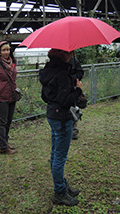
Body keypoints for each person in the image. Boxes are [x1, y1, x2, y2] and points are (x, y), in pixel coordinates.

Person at [39, 49, 82, 206]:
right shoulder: (62, 74)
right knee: (60, 157)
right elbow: (66, 100)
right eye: (70, 52)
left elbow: (45, 96)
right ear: (63, 55)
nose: (72, 55)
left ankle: (62, 184)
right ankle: (59, 192)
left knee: (55, 152)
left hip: (52, 114)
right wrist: (77, 89)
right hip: (62, 117)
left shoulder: (47, 71)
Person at [68, 56, 84, 140]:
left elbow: (80, 72)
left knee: (73, 109)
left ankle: (74, 131)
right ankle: (68, 131)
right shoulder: (58, 60)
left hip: (72, 89)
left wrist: (74, 79)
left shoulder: (73, 60)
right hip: (63, 89)